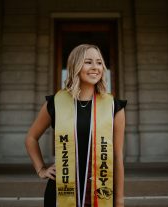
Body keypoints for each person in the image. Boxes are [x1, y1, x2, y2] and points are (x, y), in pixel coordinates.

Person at [25, 44, 126, 207]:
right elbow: (31, 138)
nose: (95, 67)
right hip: (62, 192)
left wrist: (120, 200)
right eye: (88, 62)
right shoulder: (56, 103)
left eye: (99, 63)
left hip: (100, 193)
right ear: (75, 66)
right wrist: (41, 169)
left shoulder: (114, 106)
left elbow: (117, 156)